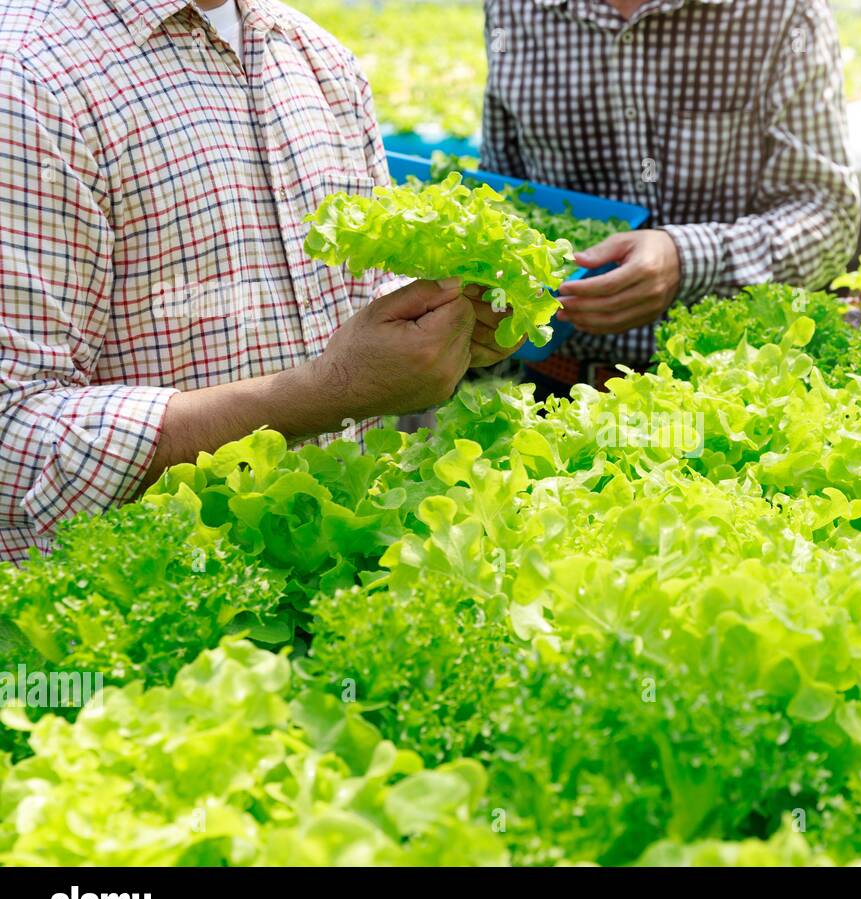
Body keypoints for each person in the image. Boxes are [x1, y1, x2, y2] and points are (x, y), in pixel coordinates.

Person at [0, 0, 518, 563]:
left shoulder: (317, 60)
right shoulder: (28, 79)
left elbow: (351, 291)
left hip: (319, 593)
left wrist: (435, 328)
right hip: (147, 605)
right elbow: (13, 431)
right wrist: (327, 391)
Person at [481, 0, 861, 390]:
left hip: (732, 389)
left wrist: (688, 258)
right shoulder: (514, 9)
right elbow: (498, 198)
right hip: (558, 383)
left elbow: (827, 212)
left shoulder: (783, 12)